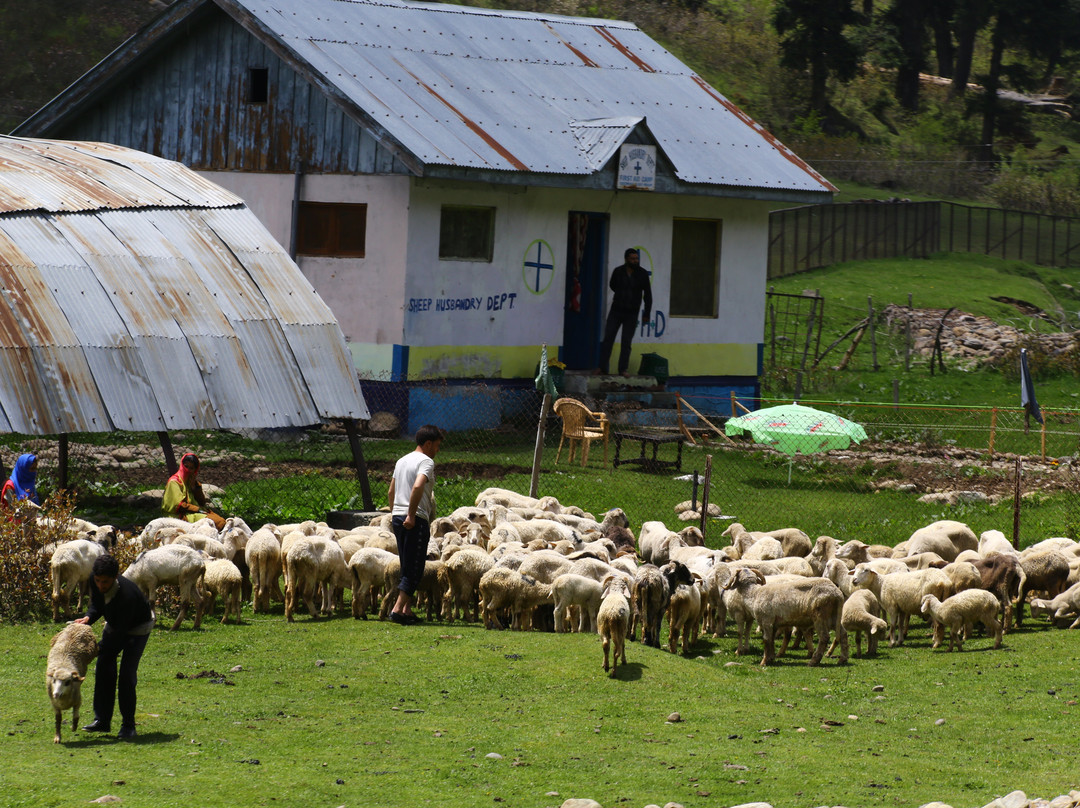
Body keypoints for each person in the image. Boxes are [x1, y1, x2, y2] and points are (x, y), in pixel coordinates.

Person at [74, 554, 154, 740]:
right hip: (116, 622)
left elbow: (119, 634)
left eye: (105, 582)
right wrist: (88, 617)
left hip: (138, 628)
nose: (101, 585)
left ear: (115, 577)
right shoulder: (95, 580)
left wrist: (95, 649)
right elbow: (97, 604)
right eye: (98, 580)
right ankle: (102, 720)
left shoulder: (127, 595)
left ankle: (128, 726)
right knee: (104, 667)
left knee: (126, 676)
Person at [386, 424, 442, 625]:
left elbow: (391, 491)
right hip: (414, 518)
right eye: (436, 446)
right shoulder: (426, 461)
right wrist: (410, 515)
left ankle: (406, 609)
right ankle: (397, 609)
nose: (437, 451)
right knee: (416, 566)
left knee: (406, 563)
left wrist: (395, 513)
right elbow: (418, 485)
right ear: (428, 444)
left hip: (398, 517)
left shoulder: (402, 460)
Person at [598, 248, 652, 376]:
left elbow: (648, 295)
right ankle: (602, 368)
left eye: (636, 258)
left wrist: (647, 313)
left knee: (626, 342)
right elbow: (613, 285)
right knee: (608, 339)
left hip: (632, 313)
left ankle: (623, 369)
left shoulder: (642, 274)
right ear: (626, 259)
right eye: (633, 259)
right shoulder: (618, 271)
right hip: (616, 310)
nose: (635, 261)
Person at [161, 453, 224, 529]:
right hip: (179, 516)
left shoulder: (191, 481)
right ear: (182, 465)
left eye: (191, 468)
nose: (188, 470)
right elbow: (178, 505)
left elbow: (202, 502)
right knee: (218, 522)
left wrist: (194, 488)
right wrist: (197, 509)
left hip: (192, 513)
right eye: (186, 466)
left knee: (222, 521)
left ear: (195, 470)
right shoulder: (174, 482)